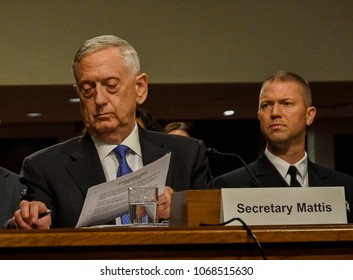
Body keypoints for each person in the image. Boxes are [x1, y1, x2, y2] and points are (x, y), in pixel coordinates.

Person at [11, 35, 213, 229]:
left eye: (111, 86)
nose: (99, 99)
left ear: (140, 88)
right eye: (88, 89)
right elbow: (23, 230)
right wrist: (30, 223)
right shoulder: (45, 168)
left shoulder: (187, 155)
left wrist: (179, 211)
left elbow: (217, 224)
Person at [212, 70, 353, 222]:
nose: (275, 113)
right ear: (259, 116)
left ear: (309, 115)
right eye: (267, 105)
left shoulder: (345, 186)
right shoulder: (230, 187)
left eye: (287, 103)